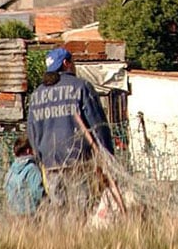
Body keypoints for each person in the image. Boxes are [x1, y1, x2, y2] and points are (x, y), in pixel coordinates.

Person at [26, 46, 115, 213]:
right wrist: (108, 155)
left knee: (59, 209)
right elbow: (98, 125)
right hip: (79, 160)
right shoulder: (81, 87)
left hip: (50, 163)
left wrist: (40, 158)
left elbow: (32, 131)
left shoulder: (37, 94)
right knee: (84, 209)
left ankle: (61, 238)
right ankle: (81, 238)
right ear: (66, 63)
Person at [3, 135, 45, 216]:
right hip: (30, 213)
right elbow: (38, 192)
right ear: (28, 150)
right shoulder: (31, 169)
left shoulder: (11, 170)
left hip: (13, 212)